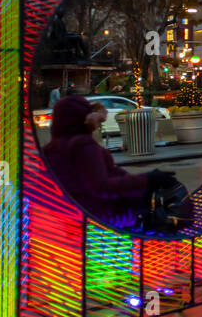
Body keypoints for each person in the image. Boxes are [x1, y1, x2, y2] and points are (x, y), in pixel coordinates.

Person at [42, 94, 178, 230]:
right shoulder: (82, 145)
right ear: (82, 118)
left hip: (77, 218)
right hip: (107, 216)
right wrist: (149, 179)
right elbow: (101, 187)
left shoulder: (50, 150)